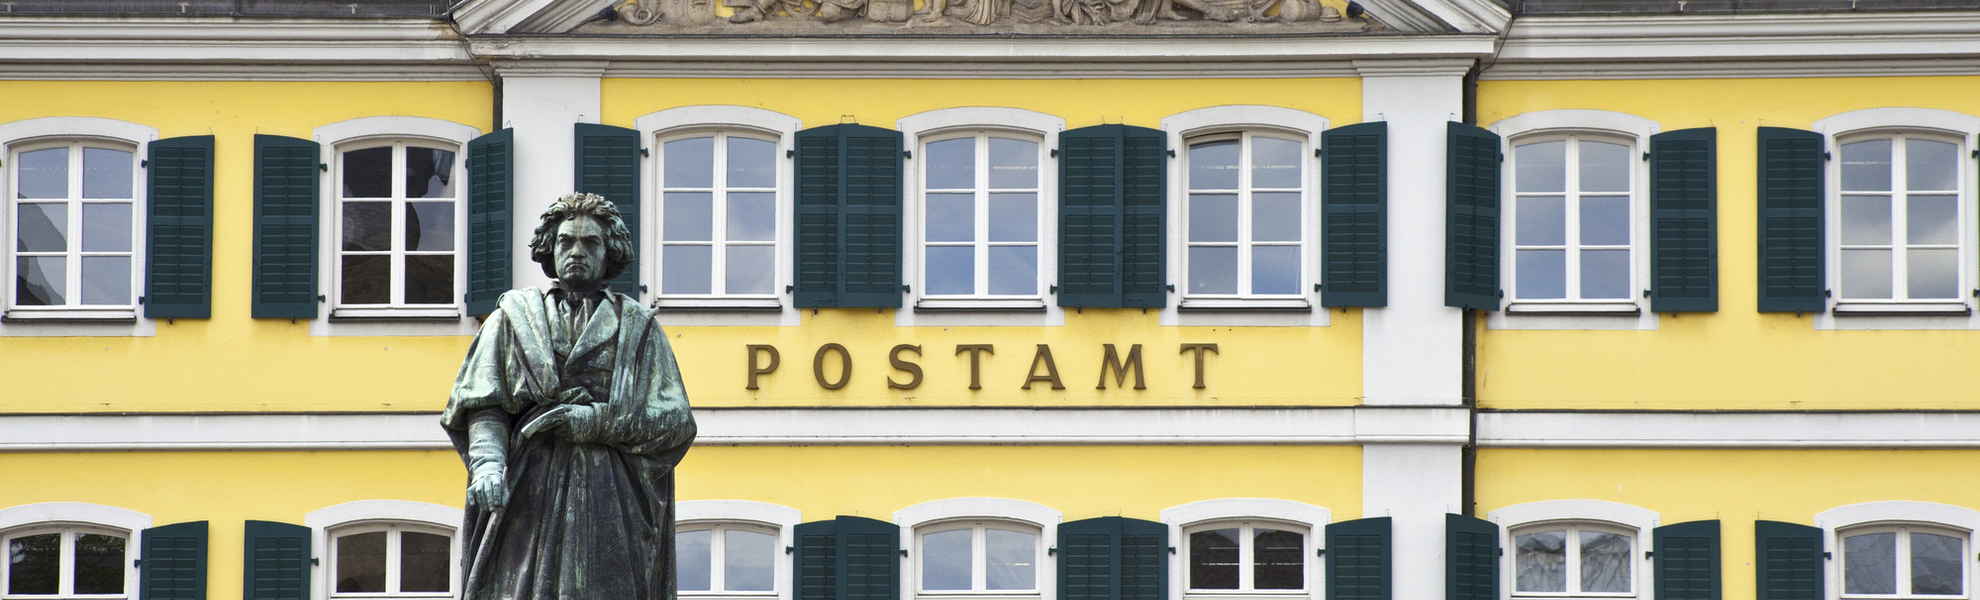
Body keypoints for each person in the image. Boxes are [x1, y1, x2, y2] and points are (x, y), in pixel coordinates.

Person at [441, 192, 697, 600]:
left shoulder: (639, 328)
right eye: (566, 242)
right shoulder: (513, 318)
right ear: (550, 248)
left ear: (608, 251)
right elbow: (485, 403)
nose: (576, 251)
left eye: (590, 243)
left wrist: (595, 421)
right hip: (528, 492)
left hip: (610, 499)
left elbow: (676, 422)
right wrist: (488, 464)